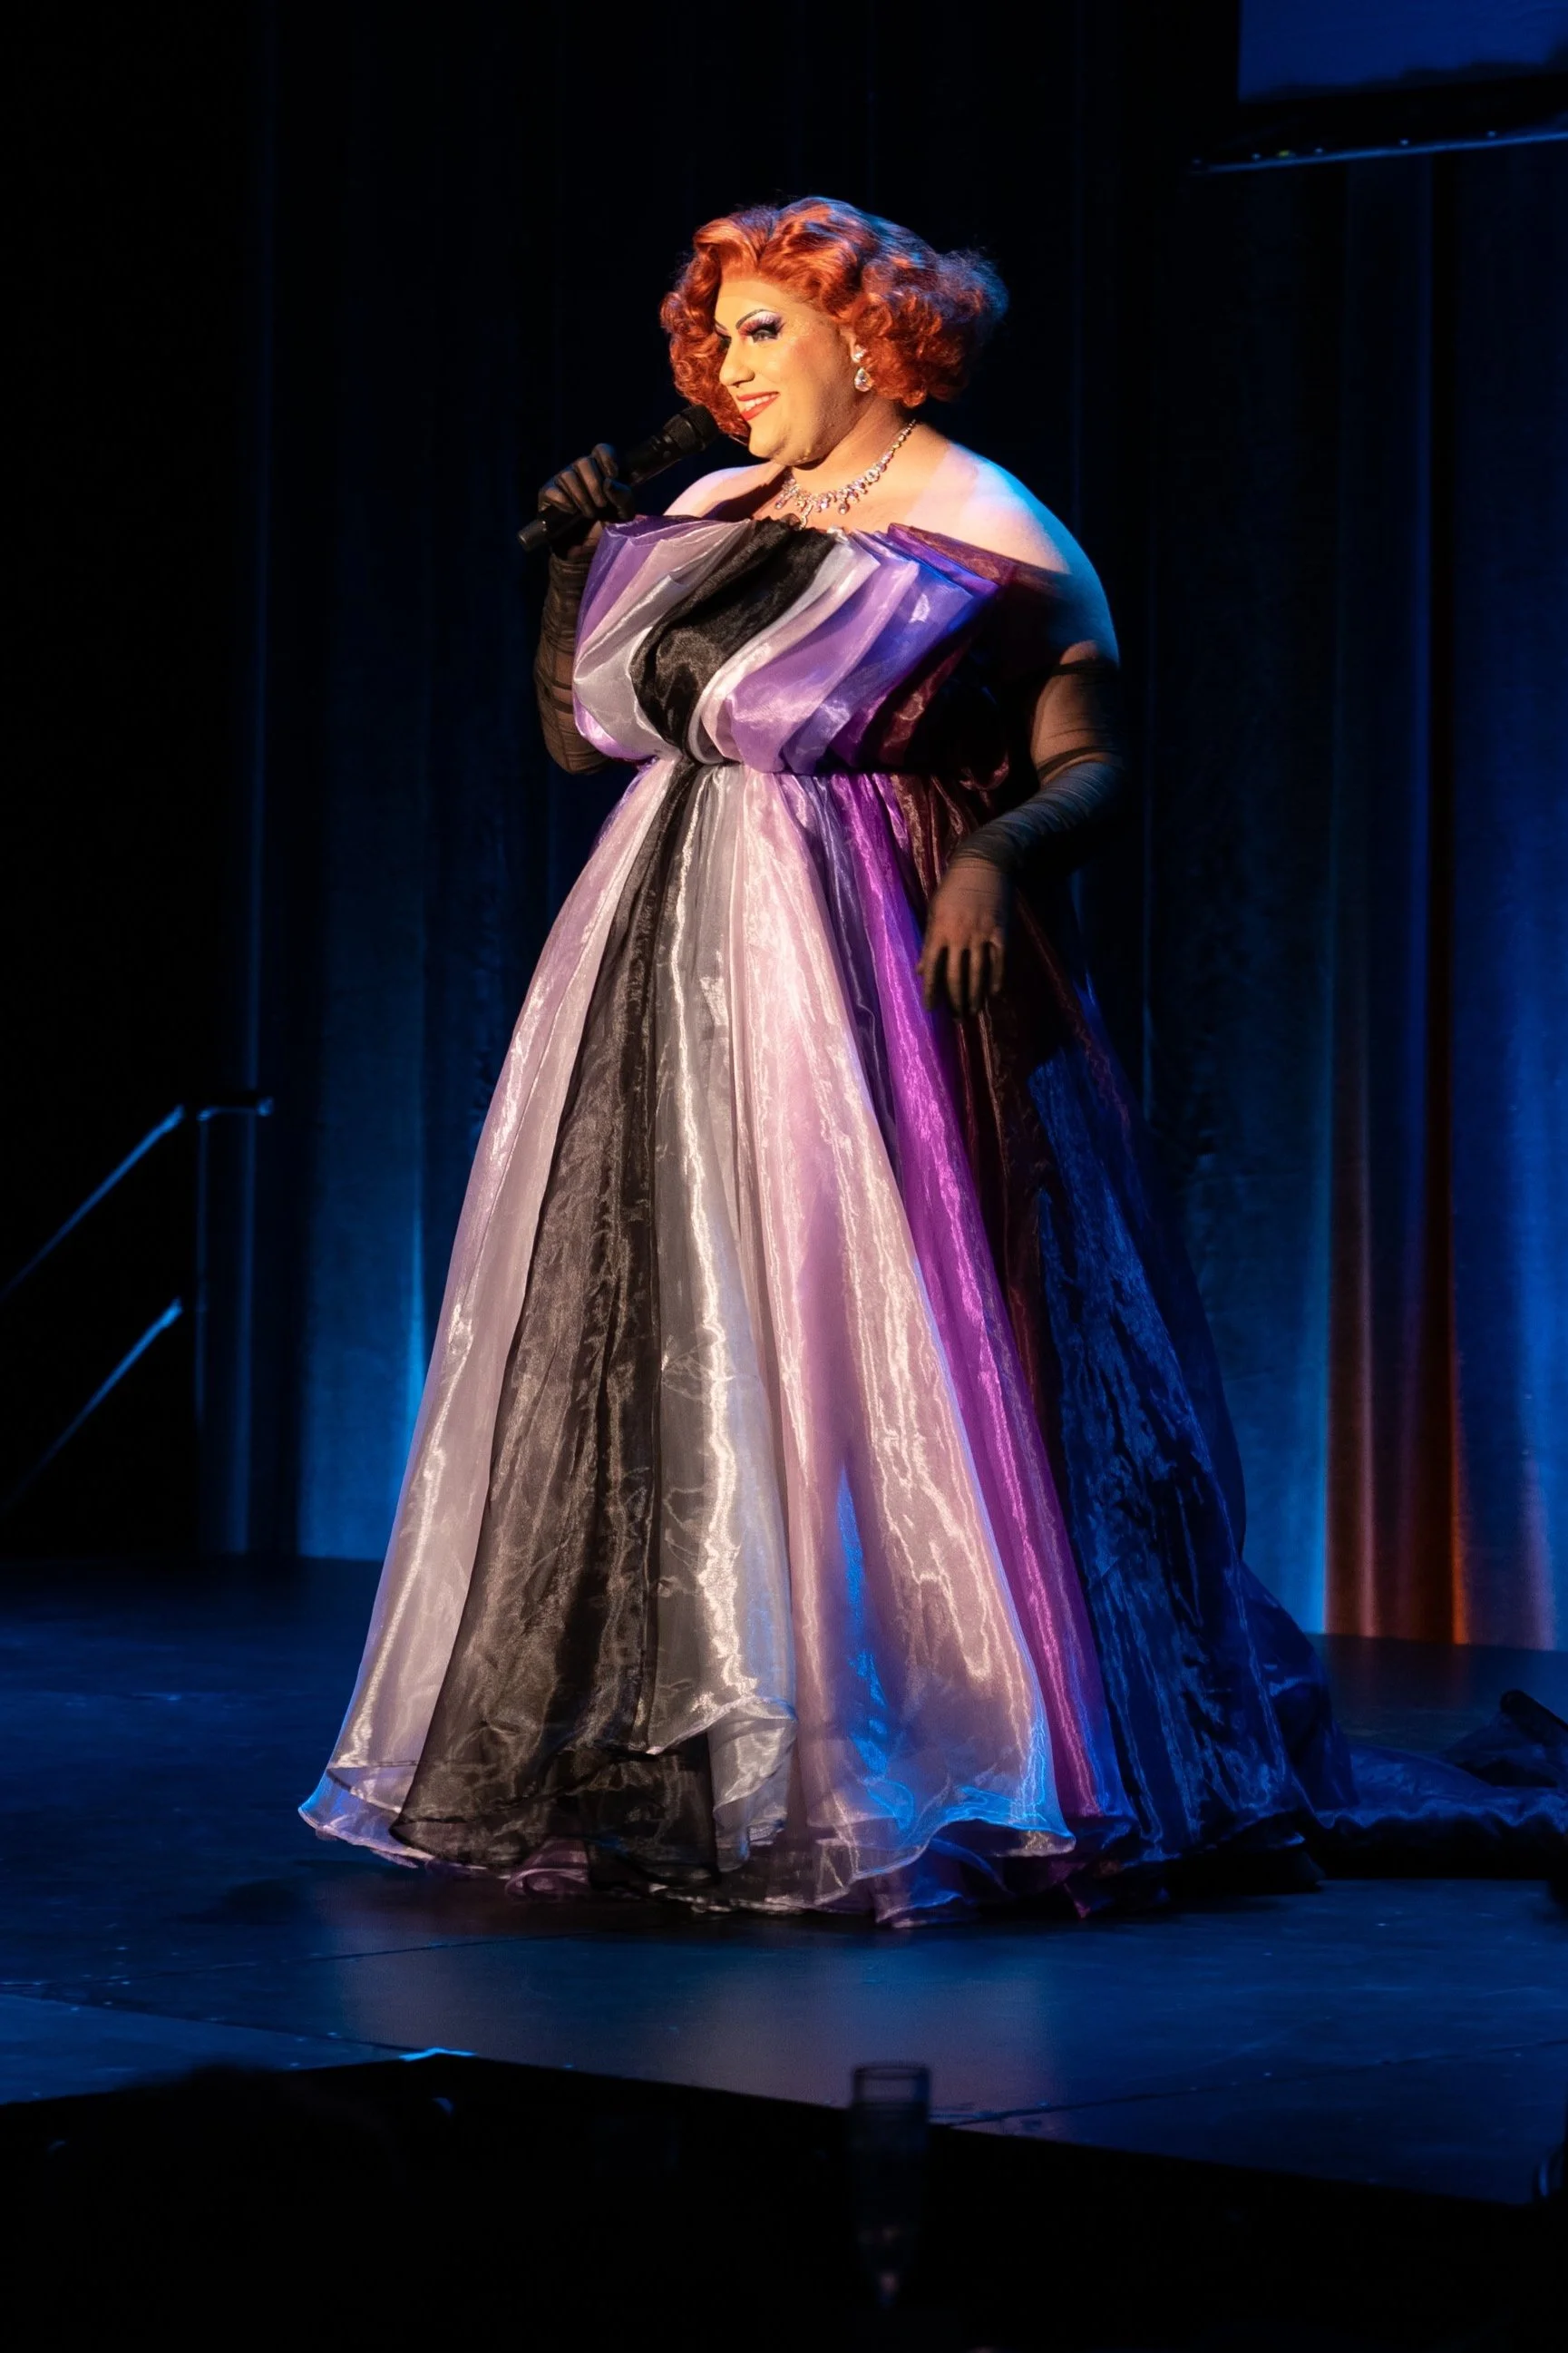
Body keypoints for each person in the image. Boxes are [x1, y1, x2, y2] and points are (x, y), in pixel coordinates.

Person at [303, 199, 1565, 1922]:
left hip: (873, 963)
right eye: (718, 338)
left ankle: (911, 1735)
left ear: (871, 336)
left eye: (766, 333)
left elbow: (1098, 758)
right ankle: (697, 1741)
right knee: (682, 1331)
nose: (731, 371)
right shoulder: (712, 506)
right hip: (659, 959)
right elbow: (585, 737)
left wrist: (993, 857)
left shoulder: (987, 521)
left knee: (869, 1321)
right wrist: (567, 567)